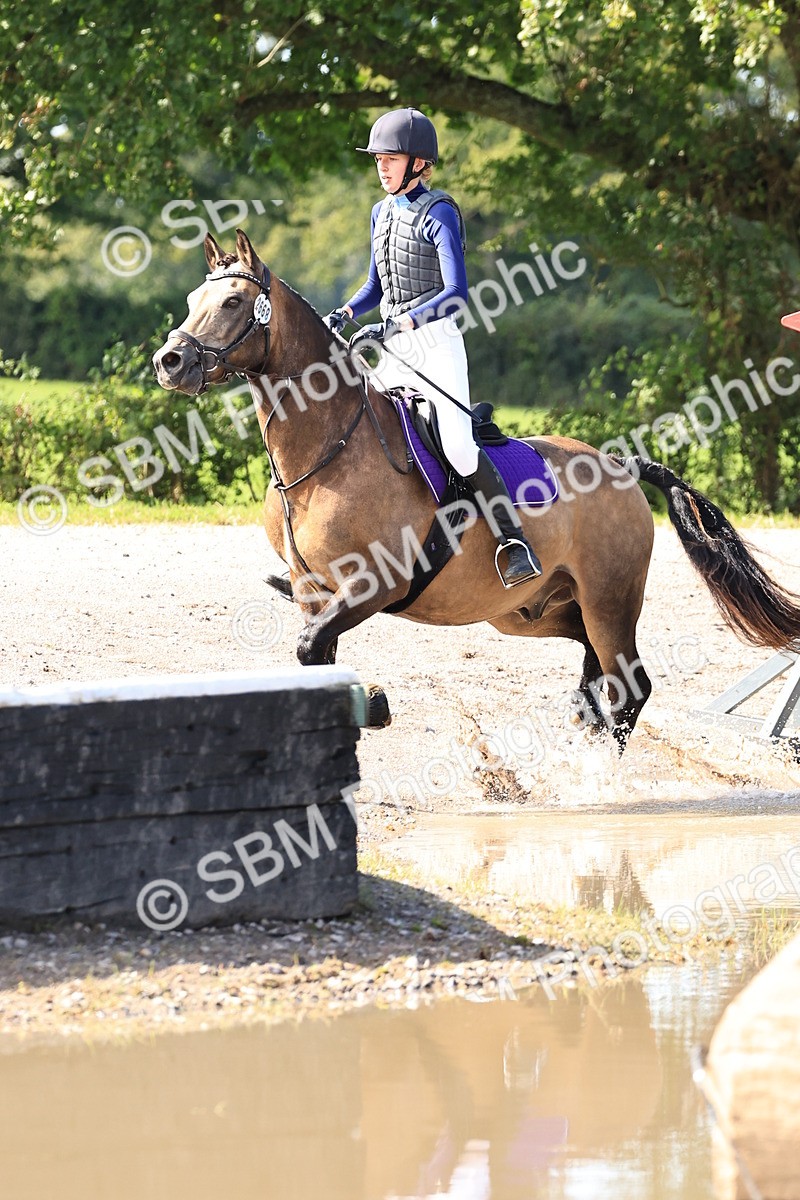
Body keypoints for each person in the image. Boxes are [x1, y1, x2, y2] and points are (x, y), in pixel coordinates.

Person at [325, 106, 542, 587]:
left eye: (390, 157)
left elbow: (455, 294)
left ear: (419, 162)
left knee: (461, 452)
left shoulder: (439, 211)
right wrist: (344, 313)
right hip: (391, 344)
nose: (380, 166)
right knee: (360, 428)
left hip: (435, 342)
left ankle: (514, 541)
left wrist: (397, 325)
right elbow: (374, 286)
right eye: (377, 158)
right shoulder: (381, 213)